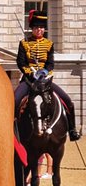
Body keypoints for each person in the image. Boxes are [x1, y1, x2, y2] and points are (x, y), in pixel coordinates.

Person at [14, 9, 80, 139]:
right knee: (15, 100)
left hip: (45, 81)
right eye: (37, 27)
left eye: (42, 27)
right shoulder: (24, 44)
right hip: (29, 81)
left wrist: (44, 72)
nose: (39, 30)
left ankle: (72, 130)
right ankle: (12, 132)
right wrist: (31, 74)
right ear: (32, 28)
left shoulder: (49, 44)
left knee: (68, 101)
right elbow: (21, 62)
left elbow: (50, 63)